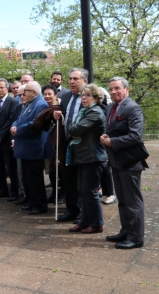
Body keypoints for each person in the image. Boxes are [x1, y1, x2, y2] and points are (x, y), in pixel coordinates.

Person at [100, 77, 146, 249]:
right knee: (123, 200)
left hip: (130, 161)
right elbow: (111, 128)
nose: (113, 92)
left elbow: (135, 136)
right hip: (116, 160)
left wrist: (113, 142)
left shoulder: (133, 108)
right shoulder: (111, 106)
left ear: (127, 89)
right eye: (111, 89)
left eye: (117, 88)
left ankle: (136, 238)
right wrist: (106, 137)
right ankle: (126, 231)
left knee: (133, 201)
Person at [67, 84, 108, 233]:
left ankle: (97, 224)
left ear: (96, 98)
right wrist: (75, 129)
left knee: (90, 191)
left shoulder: (95, 112)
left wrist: (73, 127)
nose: (83, 98)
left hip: (93, 157)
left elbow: (76, 129)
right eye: (82, 95)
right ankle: (84, 221)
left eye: (87, 95)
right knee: (82, 191)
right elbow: (76, 129)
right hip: (84, 156)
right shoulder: (85, 111)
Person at [53, 68, 87, 222]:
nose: (72, 81)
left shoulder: (90, 97)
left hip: (85, 145)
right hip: (68, 144)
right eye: (70, 79)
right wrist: (57, 115)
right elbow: (62, 114)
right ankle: (71, 209)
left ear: (84, 81)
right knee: (69, 178)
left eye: (76, 79)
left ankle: (83, 211)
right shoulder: (66, 96)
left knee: (83, 180)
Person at [11, 81, 49, 214]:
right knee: (27, 178)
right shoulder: (28, 103)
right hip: (25, 147)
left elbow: (34, 123)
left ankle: (39, 205)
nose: (22, 94)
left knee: (35, 179)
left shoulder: (41, 104)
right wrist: (14, 125)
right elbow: (19, 118)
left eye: (25, 91)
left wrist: (18, 130)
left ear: (33, 92)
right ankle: (31, 202)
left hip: (33, 147)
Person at [0, 79, 20, 200]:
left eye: (1, 87)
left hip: (6, 141)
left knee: (11, 168)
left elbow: (11, 120)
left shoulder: (12, 102)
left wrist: (0, 136)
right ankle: (2, 190)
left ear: (7, 88)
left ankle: (14, 192)